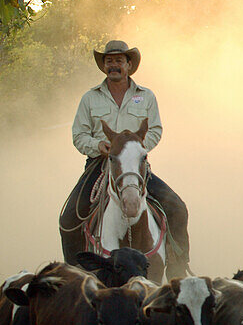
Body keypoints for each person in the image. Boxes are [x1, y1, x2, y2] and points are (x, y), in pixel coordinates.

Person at [59, 40, 190, 276]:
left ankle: (177, 268)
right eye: (109, 61)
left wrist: (134, 149)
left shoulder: (145, 96)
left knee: (177, 208)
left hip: (135, 166)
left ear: (129, 64)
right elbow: (78, 134)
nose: (114, 65)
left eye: (119, 60)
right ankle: (75, 273)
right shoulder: (90, 98)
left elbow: (156, 130)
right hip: (100, 164)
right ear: (104, 66)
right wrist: (98, 145)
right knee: (69, 219)